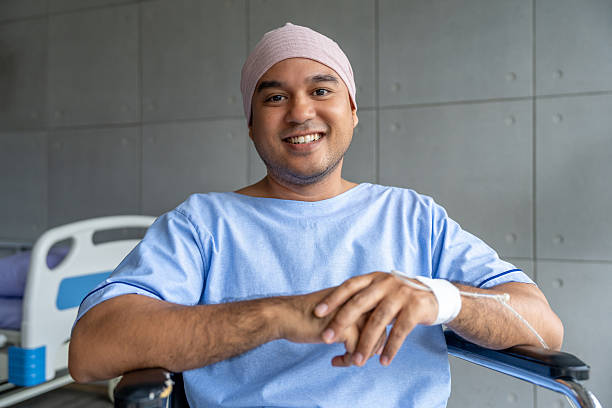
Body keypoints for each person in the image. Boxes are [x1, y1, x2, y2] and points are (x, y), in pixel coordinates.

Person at [69, 23, 563, 407]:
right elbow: (91, 349)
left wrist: (442, 297)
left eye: (322, 90)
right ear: (251, 123)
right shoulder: (204, 225)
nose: (300, 112)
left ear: (352, 109)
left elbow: (544, 327)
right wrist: (278, 315)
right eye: (275, 96)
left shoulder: (413, 218)